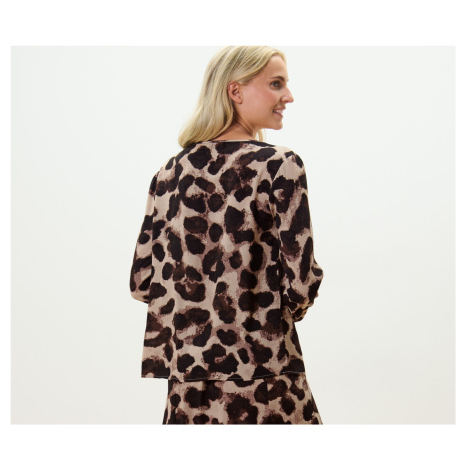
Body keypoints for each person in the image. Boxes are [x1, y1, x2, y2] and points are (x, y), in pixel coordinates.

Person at [129, 46, 324, 424]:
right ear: (235, 91)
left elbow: (142, 282)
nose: (288, 96)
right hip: (266, 379)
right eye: (276, 84)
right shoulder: (279, 165)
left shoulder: (168, 174)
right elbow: (301, 285)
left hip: (189, 387)